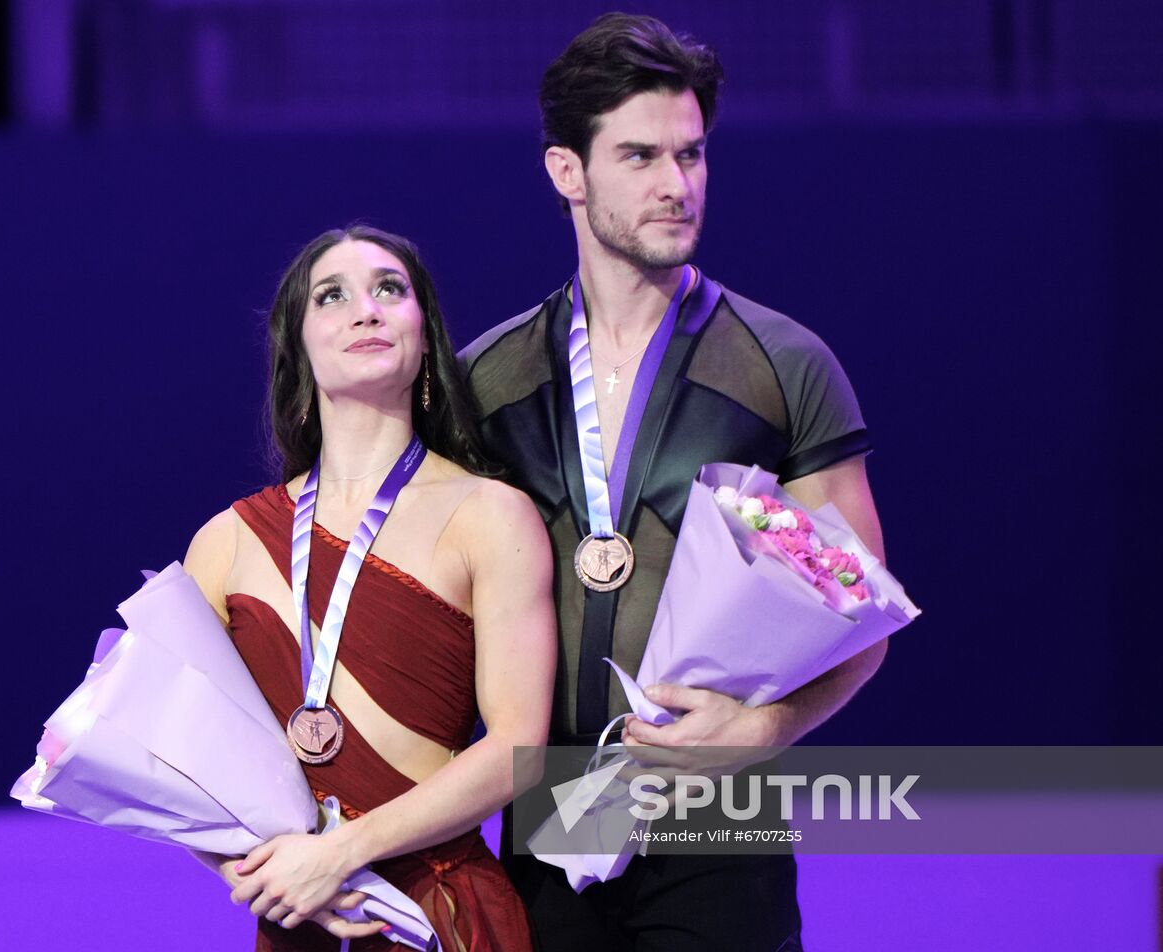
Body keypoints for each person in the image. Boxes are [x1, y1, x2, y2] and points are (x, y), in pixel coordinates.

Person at [459, 13, 889, 952]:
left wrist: (764, 729)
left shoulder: (786, 365)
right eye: (641, 156)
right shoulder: (485, 383)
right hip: (547, 823)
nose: (675, 184)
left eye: (692, 155)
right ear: (566, 172)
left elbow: (861, 614)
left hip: (719, 822)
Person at [182, 225, 556, 951]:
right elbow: (176, 761)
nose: (367, 309)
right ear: (300, 349)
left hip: (443, 916)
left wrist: (341, 854)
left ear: (425, 340)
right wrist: (263, 873)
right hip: (300, 920)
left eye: (391, 289)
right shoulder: (224, 541)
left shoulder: (489, 515)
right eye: (333, 296)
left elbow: (520, 747)